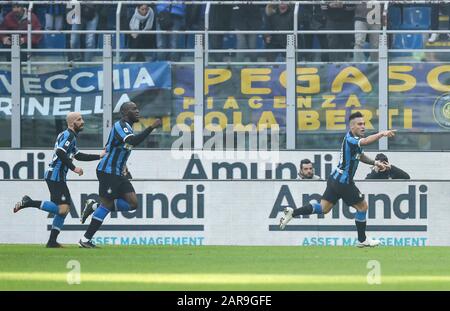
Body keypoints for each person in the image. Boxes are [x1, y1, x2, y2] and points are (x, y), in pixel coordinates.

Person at [279, 112, 396, 248]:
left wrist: (375, 163)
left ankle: (293, 212)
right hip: (343, 182)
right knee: (363, 207)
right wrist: (382, 134)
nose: (363, 126)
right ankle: (362, 239)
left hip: (334, 179)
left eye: (364, 124)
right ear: (352, 127)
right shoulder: (352, 139)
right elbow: (366, 141)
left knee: (323, 208)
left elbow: (360, 156)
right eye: (359, 124)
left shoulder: (353, 140)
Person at [13, 112, 105, 248]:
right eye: (79, 120)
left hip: (55, 176)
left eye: (82, 119)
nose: (82, 122)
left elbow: (78, 155)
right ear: (71, 122)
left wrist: (99, 156)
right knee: (63, 209)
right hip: (56, 176)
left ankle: (52, 242)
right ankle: (29, 202)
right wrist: (74, 168)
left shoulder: (68, 135)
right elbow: (60, 152)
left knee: (63, 210)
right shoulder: (69, 135)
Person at [78, 102, 161, 248]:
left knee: (133, 203)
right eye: (133, 109)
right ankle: (85, 240)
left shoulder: (127, 128)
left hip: (118, 172)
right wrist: (151, 127)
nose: (137, 111)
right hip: (108, 171)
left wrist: (124, 166)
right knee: (107, 204)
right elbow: (132, 141)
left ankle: (94, 206)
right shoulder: (120, 125)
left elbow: (116, 148)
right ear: (124, 112)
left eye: (137, 108)